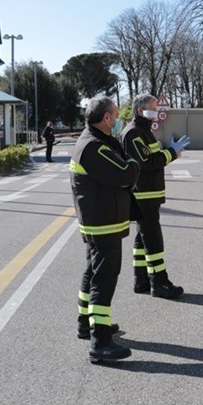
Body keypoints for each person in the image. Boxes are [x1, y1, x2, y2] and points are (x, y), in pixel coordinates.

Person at [71, 96, 140, 364]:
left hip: (98, 220)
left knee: (92, 271)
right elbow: (126, 174)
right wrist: (133, 162)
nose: (118, 118)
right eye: (115, 114)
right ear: (107, 118)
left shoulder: (92, 142)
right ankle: (100, 341)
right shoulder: (95, 148)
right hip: (104, 222)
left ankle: (85, 324)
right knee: (104, 277)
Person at [119, 93, 189, 299]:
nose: (157, 111)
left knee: (142, 238)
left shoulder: (142, 130)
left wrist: (169, 152)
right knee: (153, 239)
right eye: (154, 107)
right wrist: (171, 153)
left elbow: (151, 159)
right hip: (144, 194)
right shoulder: (134, 133)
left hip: (148, 193)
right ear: (141, 110)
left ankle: (141, 280)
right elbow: (147, 163)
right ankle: (159, 283)